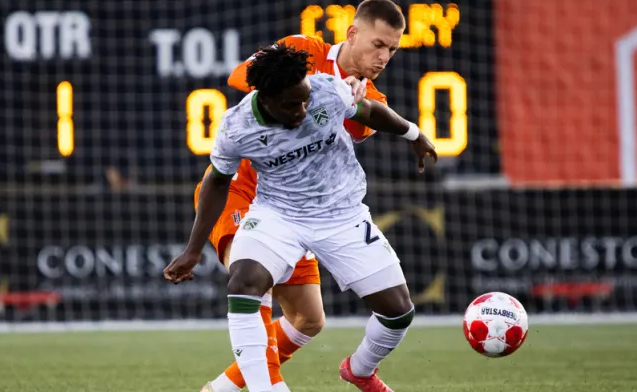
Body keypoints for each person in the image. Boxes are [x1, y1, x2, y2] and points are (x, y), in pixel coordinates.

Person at [165, 42, 437, 392]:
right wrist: (192, 250)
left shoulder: (325, 89)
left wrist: (412, 133)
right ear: (266, 98)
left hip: (342, 214)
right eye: (292, 104)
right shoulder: (237, 127)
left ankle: (359, 369)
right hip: (279, 216)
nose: (303, 109)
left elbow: (368, 111)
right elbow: (215, 183)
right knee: (245, 281)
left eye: (305, 99)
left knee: (398, 312)